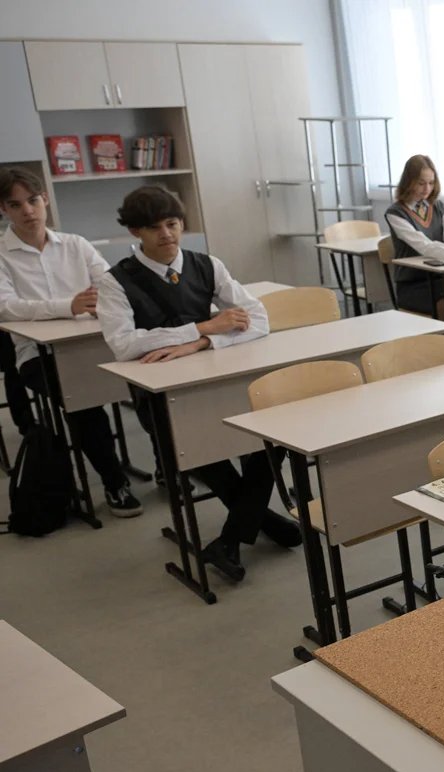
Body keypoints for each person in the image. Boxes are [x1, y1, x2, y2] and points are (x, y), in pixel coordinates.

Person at [97, 186, 301, 581]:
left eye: (172, 224)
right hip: (160, 395)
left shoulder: (207, 264)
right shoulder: (115, 282)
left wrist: (205, 342)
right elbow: (123, 345)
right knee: (198, 452)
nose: (167, 234)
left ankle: (230, 539)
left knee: (267, 445)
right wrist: (203, 326)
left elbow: (258, 319)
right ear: (135, 232)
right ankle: (257, 522)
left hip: (218, 379)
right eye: (154, 228)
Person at [0, 167, 142, 517]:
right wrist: (68, 306)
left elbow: (110, 286)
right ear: (3, 210)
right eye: (15, 205)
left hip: (96, 343)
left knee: (151, 384)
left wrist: (103, 303)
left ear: (45, 199)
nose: (28, 211)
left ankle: (170, 469)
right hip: (36, 355)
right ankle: (114, 482)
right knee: (84, 399)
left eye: (33, 201)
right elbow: (6, 307)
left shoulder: (76, 244)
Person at [385, 155, 444, 356]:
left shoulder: (437, 206)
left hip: (440, 277)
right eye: (421, 183)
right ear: (409, 181)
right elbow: (423, 245)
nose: (426, 189)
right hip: (413, 284)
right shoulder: (395, 213)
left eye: (430, 183)